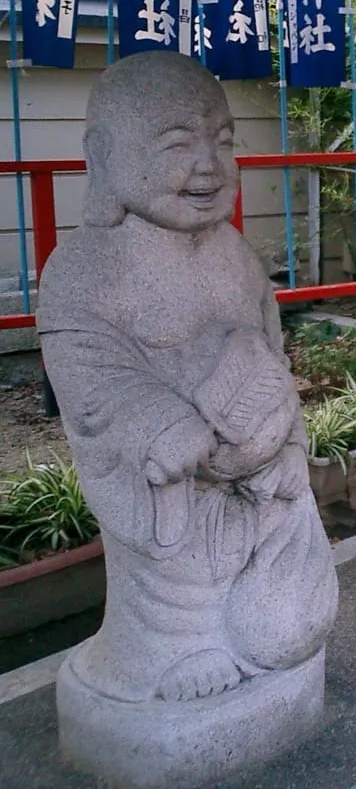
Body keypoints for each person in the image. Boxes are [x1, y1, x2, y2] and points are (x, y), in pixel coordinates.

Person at [37, 52, 337, 706]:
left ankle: (261, 622)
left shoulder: (236, 256)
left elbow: (274, 357)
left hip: (255, 487)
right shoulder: (86, 266)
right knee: (176, 571)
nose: (208, 164)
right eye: (179, 144)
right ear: (106, 157)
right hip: (174, 495)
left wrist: (286, 441)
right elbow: (89, 368)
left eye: (223, 141)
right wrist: (158, 422)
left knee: (289, 618)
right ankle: (174, 647)